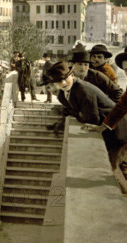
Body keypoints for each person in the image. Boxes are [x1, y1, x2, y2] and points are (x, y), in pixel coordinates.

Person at [47, 61, 127, 193]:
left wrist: (72, 112)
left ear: (72, 75)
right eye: (59, 82)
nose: (63, 83)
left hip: (119, 131)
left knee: (113, 166)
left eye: (65, 79)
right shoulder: (66, 92)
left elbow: (91, 118)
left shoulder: (83, 89)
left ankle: (123, 196)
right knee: (113, 166)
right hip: (110, 131)